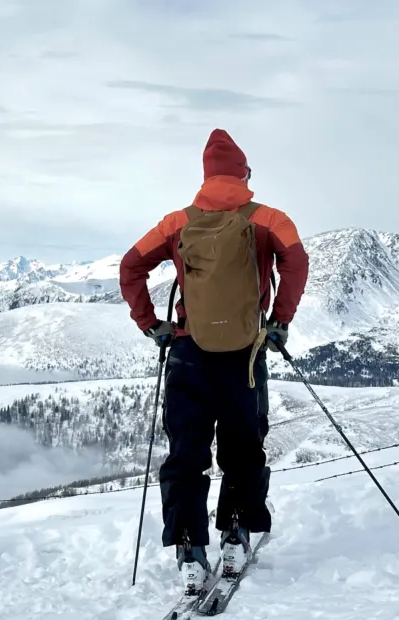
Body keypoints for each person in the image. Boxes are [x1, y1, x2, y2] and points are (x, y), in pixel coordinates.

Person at [118, 128, 310, 596]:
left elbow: (130, 267)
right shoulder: (269, 219)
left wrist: (153, 326)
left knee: (186, 452)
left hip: (188, 351)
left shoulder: (176, 222)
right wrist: (280, 322)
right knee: (244, 447)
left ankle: (188, 548)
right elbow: (297, 262)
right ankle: (237, 533)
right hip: (245, 353)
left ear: (206, 177)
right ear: (244, 174)